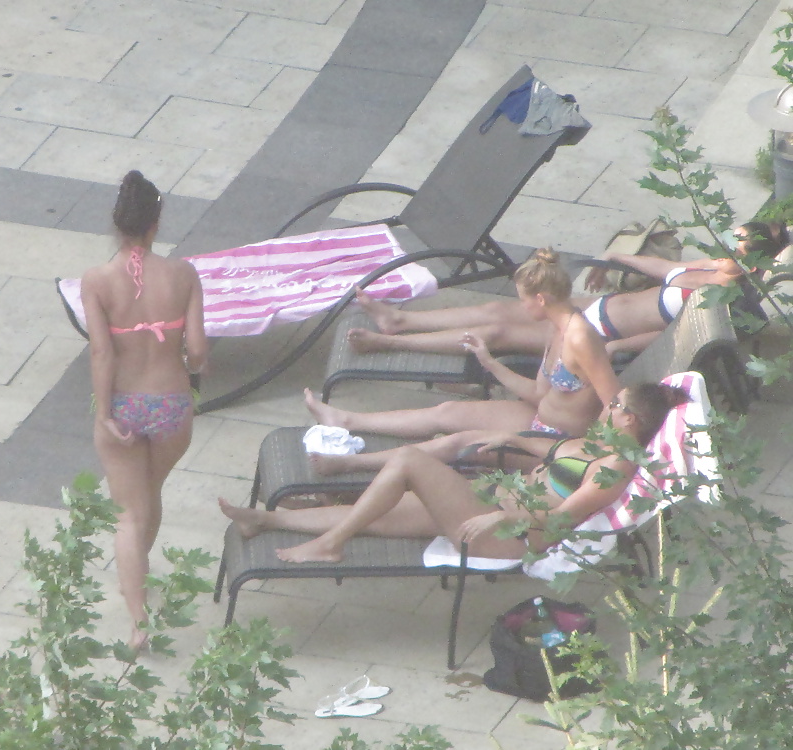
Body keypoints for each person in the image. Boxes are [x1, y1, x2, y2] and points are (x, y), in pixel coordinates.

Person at [219, 382, 690, 563]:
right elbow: (556, 458)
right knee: (382, 514)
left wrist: (502, 520)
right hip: (492, 504)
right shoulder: (601, 443)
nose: (608, 405)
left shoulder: (617, 466)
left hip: (510, 536)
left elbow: (563, 518)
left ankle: (328, 545)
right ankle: (267, 520)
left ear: (631, 421)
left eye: (616, 404)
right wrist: (518, 442)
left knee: (409, 462)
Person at [304, 247, 620, 475]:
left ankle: (349, 464)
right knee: (448, 411)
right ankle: (348, 421)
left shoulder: (581, 338)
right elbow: (539, 394)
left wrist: (589, 460)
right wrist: (489, 362)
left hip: (558, 444)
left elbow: (615, 404)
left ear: (541, 299)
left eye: (523, 299)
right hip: (540, 419)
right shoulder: (556, 327)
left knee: (458, 443)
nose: (521, 307)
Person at [80, 170, 208, 650]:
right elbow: (196, 349)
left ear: (117, 225)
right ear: (156, 224)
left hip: (126, 404)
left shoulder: (97, 281)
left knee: (127, 514)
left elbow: (101, 353)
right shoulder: (183, 274)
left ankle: (138, 620)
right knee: (149, 492)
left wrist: (106, 414)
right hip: (173, 404)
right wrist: (194, 361)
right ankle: (138, 573)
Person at [347, 221, 789, 358]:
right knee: (500, 309)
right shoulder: (714, 268)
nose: (728, 246)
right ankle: (401, 319)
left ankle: (388, 341)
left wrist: (614, 350)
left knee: (498, 332)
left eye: (738, 244)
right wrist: (618, 258)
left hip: (599, 333)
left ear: (753, 259)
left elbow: (673, 338)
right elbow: (668, 267)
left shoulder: (719, 299)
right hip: (596, 307)